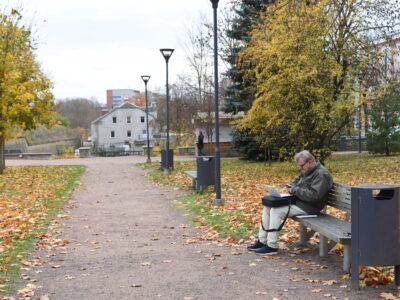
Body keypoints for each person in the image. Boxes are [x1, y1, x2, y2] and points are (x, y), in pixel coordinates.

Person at [247, 150, 333, 255]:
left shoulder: (321, 174)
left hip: (310, 207)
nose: (301, 168)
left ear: (310, 162)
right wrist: (290, 186)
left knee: (276, 211)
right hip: (299, 202)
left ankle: (271, 246)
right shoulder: (307, 170)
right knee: (268, 206)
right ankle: (262, 240)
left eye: (302, 166)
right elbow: (296, 182)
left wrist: (295, 190)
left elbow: (314, 196)